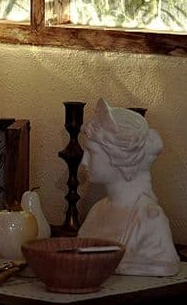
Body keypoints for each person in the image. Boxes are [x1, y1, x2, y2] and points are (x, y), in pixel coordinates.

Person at [77, 99, 179, 277]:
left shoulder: (150, 220)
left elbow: (163, 265)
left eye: (92, 152)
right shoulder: (97, 211)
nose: (83, 162)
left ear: (119, 156)